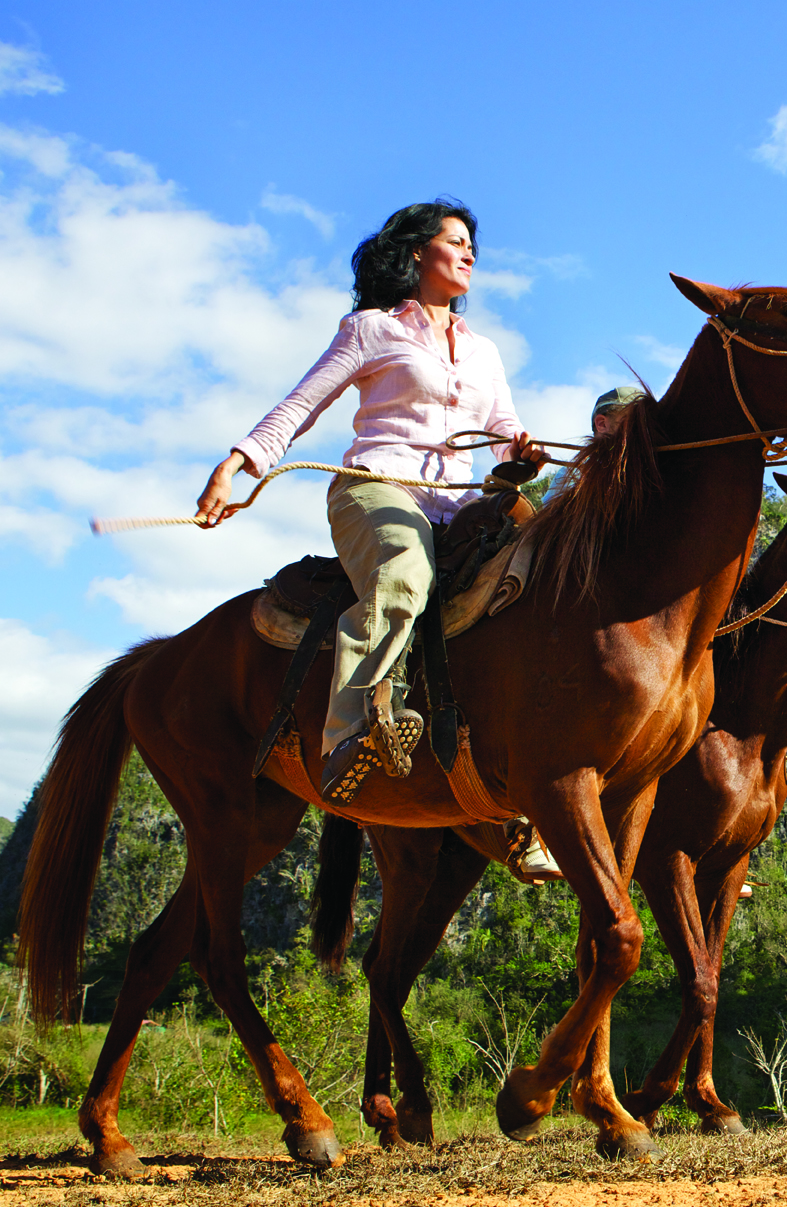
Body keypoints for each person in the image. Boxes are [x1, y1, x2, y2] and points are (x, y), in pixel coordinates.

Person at [195, 199, 546, 800]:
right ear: (417, 252)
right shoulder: (371, 329)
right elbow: (300, 406)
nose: (468, 254)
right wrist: (237, 465)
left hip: (460, 505)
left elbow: (500, 434)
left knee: (545, 572)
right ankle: (351, 731)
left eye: (472, 247)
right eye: (455, 241)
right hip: (376, 489)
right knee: (406, 571)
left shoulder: (485, 350)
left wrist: (520, 456)